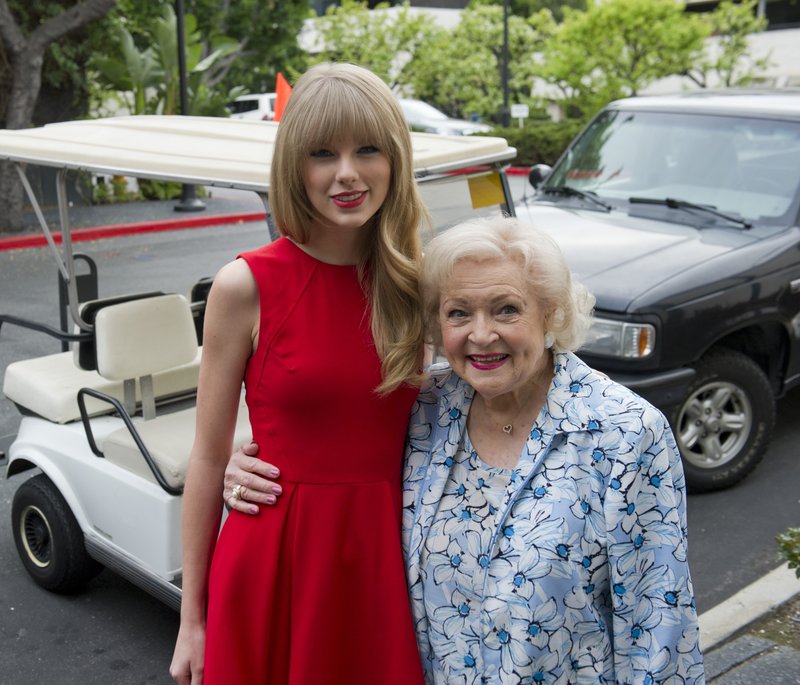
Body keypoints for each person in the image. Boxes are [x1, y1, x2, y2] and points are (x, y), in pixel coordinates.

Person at [226, 216, 706, 684]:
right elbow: (329, 454)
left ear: (550, 314)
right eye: (459, 312)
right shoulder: (424, 408)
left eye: (506, 310)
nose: (480, 334)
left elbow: (658, 626)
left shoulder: (625, 433)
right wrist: (242, 464)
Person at [169, 62, 428, 685]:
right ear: (295, 168)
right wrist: (192, 619)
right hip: (275, 557)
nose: (347, 173)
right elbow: (207, 458)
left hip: (385, 562)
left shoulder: (419, 283)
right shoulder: (245, 285)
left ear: (394, 159)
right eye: (322, 154)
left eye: (367, 149)